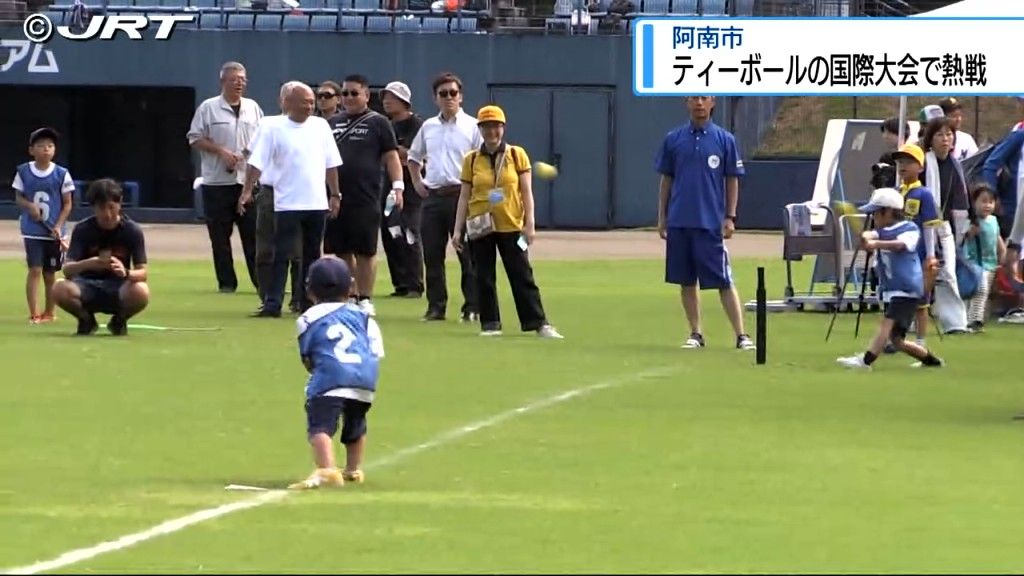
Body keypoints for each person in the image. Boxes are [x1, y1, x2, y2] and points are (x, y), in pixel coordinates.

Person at [451, 105, 564, 339]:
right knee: (483, 275)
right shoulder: (471, 160)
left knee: (522, 274)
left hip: (511, 224)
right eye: (487, 126)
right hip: (480, 225)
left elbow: (526, 192)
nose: (492, 131)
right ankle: (490, 323)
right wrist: (457, 229)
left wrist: (530, 223)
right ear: (480, 129)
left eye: (496, 126)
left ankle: (538, 322)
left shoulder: (516, 154)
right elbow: (464, 196)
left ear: (503, 128)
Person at [654, 96, 755, 350]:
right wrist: (662, 217)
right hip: (679, 221)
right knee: (686, 280)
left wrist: (730, 217)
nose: (699, 103)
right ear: (686, 103)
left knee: (723, 280)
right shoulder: (673, 139)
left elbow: (732, 180)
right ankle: (696, 333)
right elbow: (666, 180)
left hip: (710, 223)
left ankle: (741, 335)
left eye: (704, 98)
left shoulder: (724, 140)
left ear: (712, 103)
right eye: (694, 98)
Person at [240, 82, 342, 317]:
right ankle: (272, 303)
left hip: (315, 202)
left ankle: (307, 301)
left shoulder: (321, 127)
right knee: (280, 255)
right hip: (287, 203)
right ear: (288, 103)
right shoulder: (274, 128)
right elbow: (257, 162)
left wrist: (335, 193)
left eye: (311, 102)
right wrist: (247, 190)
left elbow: (331, 164)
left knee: (311, 256)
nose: (310, 106)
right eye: (304, 102)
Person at [289, 256, 385, 490]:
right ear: (351, 287)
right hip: (365, 378)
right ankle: (353, 470)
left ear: (310, 290)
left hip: (331, 377)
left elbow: (308, 357)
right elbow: (376, 350)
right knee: (356, 422)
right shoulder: (364, 317)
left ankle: (327, 469)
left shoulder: (308, 319)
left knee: (320, 426)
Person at [836, 188, 944, 370]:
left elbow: (901, 245)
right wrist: (866, 237)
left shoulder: (910, 229)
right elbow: (872, 235)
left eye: (876, 213)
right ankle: (933, 362)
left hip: (906, 289)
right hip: (895, 290)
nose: (873, 218)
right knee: (897, 340)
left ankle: (865, 362)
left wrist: (875, 243)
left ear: (888, 211)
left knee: (886, 325)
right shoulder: (882, 230)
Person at [325, 74, 405, 317]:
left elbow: (391, 156)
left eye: (354, 93)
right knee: (342, 250)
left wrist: (398, 185)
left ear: (366, 95)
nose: (349, 98)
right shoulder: (332, 123)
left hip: (366, 195)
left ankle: (365, 298)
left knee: (366, 250)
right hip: (337, 195)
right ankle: (350, 295)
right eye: (345, 93)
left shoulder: (378, 122)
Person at [407, 72, 481, 323]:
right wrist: (417, 182)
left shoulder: (472, 126)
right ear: (435, 98)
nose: (449, 97)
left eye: (453, 93)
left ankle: (472, 306)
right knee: (432, 255)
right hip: (434, 197)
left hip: (463, 196)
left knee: (467, 254)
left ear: (461, 97)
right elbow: (413, 157)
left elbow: (483, 161)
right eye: (443, 93)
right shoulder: (428, 126)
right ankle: (436, 307)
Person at [186, 61, 262, 294]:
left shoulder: (252, 108)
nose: (240, 83)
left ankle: (262, 282)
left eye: (243, 79)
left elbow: (261, 139)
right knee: (220, 237)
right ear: (223, 81)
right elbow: (195, 137)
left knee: (254, 236)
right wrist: (221, 152)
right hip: (217, 183)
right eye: (234, 79)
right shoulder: (208, 108)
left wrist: (245, 154)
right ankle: (227, 283)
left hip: (246, 182)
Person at [51, 179, 150, 336]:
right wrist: (89, 264)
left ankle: (119, 321)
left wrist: (125, 272)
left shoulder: (132, 230)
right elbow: (67, 270)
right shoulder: (83, 229)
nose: (107, 214)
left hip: (118, 286)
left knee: (141, 291)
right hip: (86, 285)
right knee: (58, 288)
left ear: (120, 203)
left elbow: (143, 272)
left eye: (111, 207)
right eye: (102, 208)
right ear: (93, 207)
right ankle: (86, 320)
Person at [13, 127, 75, 324]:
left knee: (50, 274)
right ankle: (34, 312)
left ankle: (50, 312)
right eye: (41, 146)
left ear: (54, 150)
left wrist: (58, 225)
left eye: (50, 146)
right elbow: (18, 197)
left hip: (53, 233)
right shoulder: (23, 171)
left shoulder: (61, 173)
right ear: (32, 150)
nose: (46, 149)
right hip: (33, 231)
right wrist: (29, 206)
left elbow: (67, 204)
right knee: (35, 270)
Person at [252, 82, 303, 315]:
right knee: (266, 249)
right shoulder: (268, 124)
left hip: (299, 192)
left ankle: (300, 298)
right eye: (288, 97)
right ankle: (269, 298)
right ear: (282, 101)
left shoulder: (312, 126)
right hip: (271, 192)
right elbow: (252, 154)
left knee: (298, 250)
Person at [920, 117, 971, 334]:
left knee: (948, 272)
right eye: (939, 134)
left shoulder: (955, 165)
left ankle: (955, 324)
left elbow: (962, 200)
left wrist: (965, 227)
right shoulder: (923, 163)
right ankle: (913, 319)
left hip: (945, 227)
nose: (945, 139)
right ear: (930, 139)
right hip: (922, 227)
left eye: (948, 134)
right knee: (922, 274)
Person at [891, 143, 941, 348]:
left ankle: (921, 343)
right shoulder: (896, 192)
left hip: (918, 255)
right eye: (901, 162)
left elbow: (929, 227)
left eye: (909, 162)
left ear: (920, 167)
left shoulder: (924, 194)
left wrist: (930, 255)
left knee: (921, 302)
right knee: (898, 298)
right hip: (900, 254)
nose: (903, 166)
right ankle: (895, 338)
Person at [380, 81, 426, 299]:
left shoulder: (417, 125)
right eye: (385, 97)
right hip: (387, 185)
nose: (387, 101)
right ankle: (400, 283)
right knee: (391, 232)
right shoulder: (386, 124)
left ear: (404, 101)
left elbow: (413, 156)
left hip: (410, 187)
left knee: (409, 231)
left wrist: (395, 153)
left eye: (392, 98)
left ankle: (415, 284)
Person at [963, 183, 1006, 331]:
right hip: (975, 263)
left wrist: (1003, 256)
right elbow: (964, 238)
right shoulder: (972, 222)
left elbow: (997, 239)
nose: (987, 205)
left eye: (990, 201)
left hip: (991, 264)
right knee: (981, 289)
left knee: (983, 292)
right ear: (973, 202)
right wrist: (970, 233)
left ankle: (973, 318)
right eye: (983, 201)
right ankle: (974, 320)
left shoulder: (993, 220)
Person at [937, 97, 979, 162]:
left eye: (960, 116)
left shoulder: (967, 139)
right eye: (954, 116)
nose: (958, 119)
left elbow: (975, 162)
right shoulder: (935, 139)